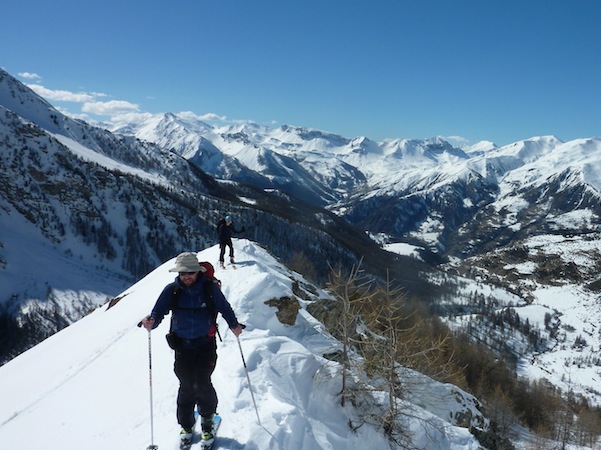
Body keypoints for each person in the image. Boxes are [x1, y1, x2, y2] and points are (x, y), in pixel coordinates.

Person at [141, 252, 243, 447]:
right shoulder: (172, 290)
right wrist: (151, 322)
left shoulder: (209, 289)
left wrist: (234, 325)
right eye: (182, 272)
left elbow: (225, 308)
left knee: (202, 382)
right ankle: (186, 425)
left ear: (198, 271)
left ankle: (207, 422)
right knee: (186, 385)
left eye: (190, 272)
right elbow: (158, 312)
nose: (186, 276)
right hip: (182, 346)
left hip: (205, 345)